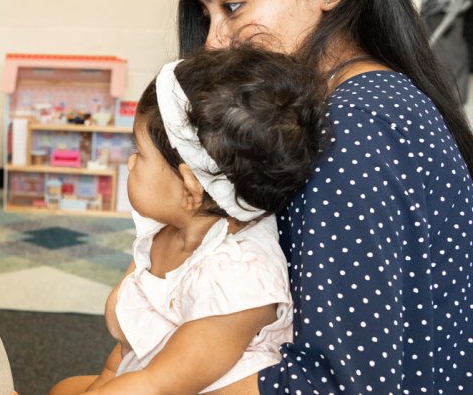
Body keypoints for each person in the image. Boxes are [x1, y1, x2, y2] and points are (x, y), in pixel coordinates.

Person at [177, 0, 473, 393]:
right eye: (209, 15)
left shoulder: (350, 130)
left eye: (233, 6)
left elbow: (338, 382)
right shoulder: (380, 97)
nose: (214, 41)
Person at [50, 47, 327, 394]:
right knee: (64, 388)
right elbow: (131, 343)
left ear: (190, 189)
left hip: (177, 387)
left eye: (139, 153)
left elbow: (158, 385)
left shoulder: (239, 276)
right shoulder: (172, 229)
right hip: (143, 373)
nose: (131, 164)